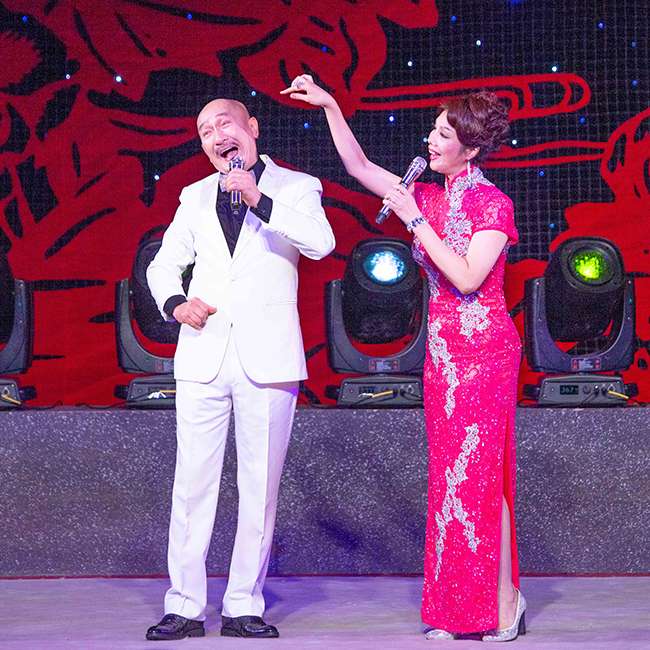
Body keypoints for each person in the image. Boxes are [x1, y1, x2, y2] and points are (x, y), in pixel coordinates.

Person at [282, 76, 525, 641]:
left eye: (443, 134)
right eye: (433, 130)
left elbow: (468, 278)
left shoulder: (493, 203)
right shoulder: (429, 194)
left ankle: (503, 602)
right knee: (449, 478)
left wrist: (414, 219)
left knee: (480, 477)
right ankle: (456, 611)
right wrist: (331, 106)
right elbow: (359, 165)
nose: (431, 141)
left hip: (485, 353)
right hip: (443, 355)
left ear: (470, 148)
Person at [145, 98, 335, 640]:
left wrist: (257, 197)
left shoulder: (297, 186)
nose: (215, 136)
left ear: (251, 128)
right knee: (192, 485)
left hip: (268, 357)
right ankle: (184, 605)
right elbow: (163, 264)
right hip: (203, 353)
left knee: (259, 487)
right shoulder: (193, 195)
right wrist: (175, 303)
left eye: (223, 123)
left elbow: (321, 244)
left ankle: (243, 604)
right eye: (204, 130)